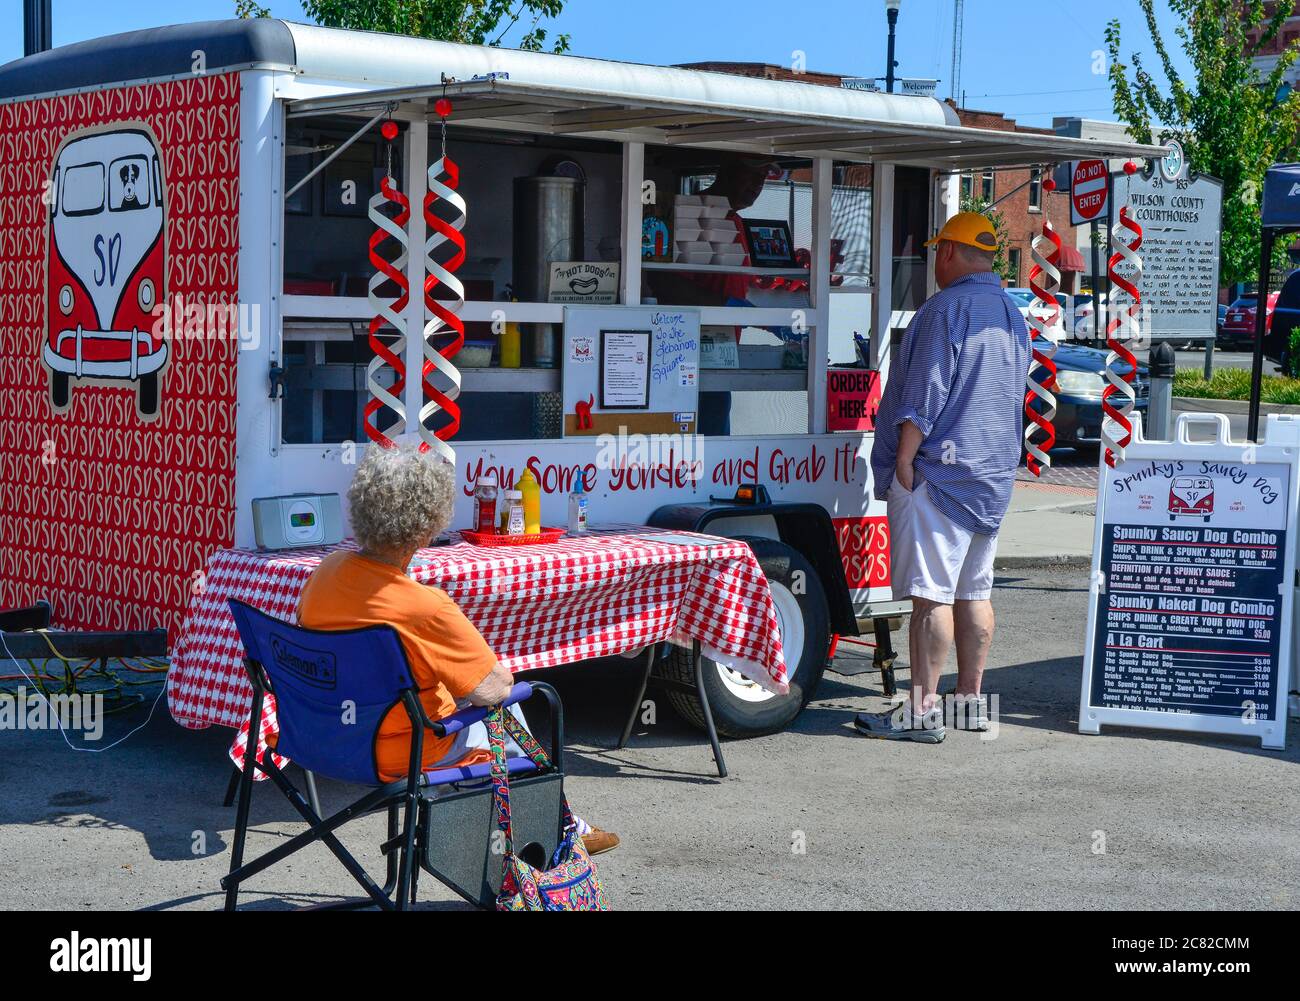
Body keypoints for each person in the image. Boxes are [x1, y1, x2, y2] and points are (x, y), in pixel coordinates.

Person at [297, 443, 619, 855]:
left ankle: (552, 826)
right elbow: (493, 690)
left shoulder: (325, 573)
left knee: (462, 694)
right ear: (428, 526)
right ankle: (551, 833)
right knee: (513, 702)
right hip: (401, 753)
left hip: (319, 737)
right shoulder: (424, 606)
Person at [855, 212, 1030, 743]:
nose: (933, 261)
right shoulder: (1010, 312)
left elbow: (924, 392)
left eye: (937, 252)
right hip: (991, 475)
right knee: (973, 591)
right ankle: (970, 701)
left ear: (949, 253)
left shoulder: (944, 310)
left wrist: (905, 459)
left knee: (930, 597)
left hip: (939, 474)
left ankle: (922, 711)